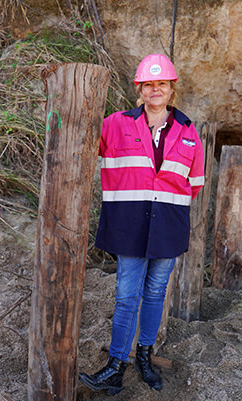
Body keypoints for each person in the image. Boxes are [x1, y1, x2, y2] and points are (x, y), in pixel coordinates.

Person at [79, 53, 205, 395]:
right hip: (129, 224)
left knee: (154, 295)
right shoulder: (115, 124)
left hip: (168, 225)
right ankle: (116, 366)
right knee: (126, 296)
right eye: (148, 85)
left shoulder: (189, 131)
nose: (155, 90)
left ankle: (145, 359)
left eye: (161, 84)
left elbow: (194, 183)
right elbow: (83, 143)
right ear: (140, 89)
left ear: (171, 88)